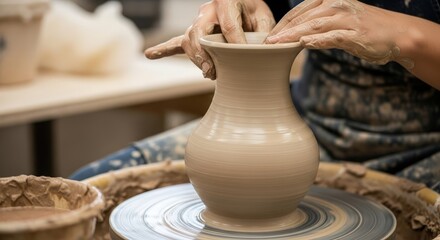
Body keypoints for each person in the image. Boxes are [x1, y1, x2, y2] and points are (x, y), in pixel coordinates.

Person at [70, 0, 440, 192]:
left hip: (429, 149)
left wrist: (411, 37)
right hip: (305, 125)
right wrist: (239, 12)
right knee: (87, 191)